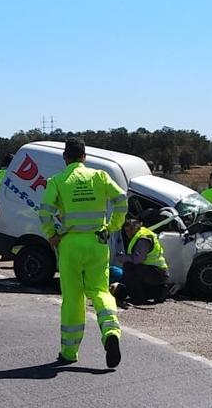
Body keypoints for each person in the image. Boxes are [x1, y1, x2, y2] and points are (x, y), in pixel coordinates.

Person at [38, 137, 127, 368]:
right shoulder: (99, 176)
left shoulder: (57, 181)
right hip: (98, 241)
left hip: (70, 244)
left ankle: (69, 352)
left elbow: (44, 211)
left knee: (73, 298)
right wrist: (113, 226)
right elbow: (120, 199)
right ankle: (111, 332)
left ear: (65, 157)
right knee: (100, 291)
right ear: (84, 157)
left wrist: (52, 234)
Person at [115, 216, 170, 306]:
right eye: (127, 231)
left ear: (138, 227)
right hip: (154, 271)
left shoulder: (143, 238)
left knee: (129, 267)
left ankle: (138, 298)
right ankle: (154, 293)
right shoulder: (141, 234)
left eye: (132, 229)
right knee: (133, 268)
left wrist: (123, 258)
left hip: (158, 272)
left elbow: (138, 259)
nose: (129, 233)